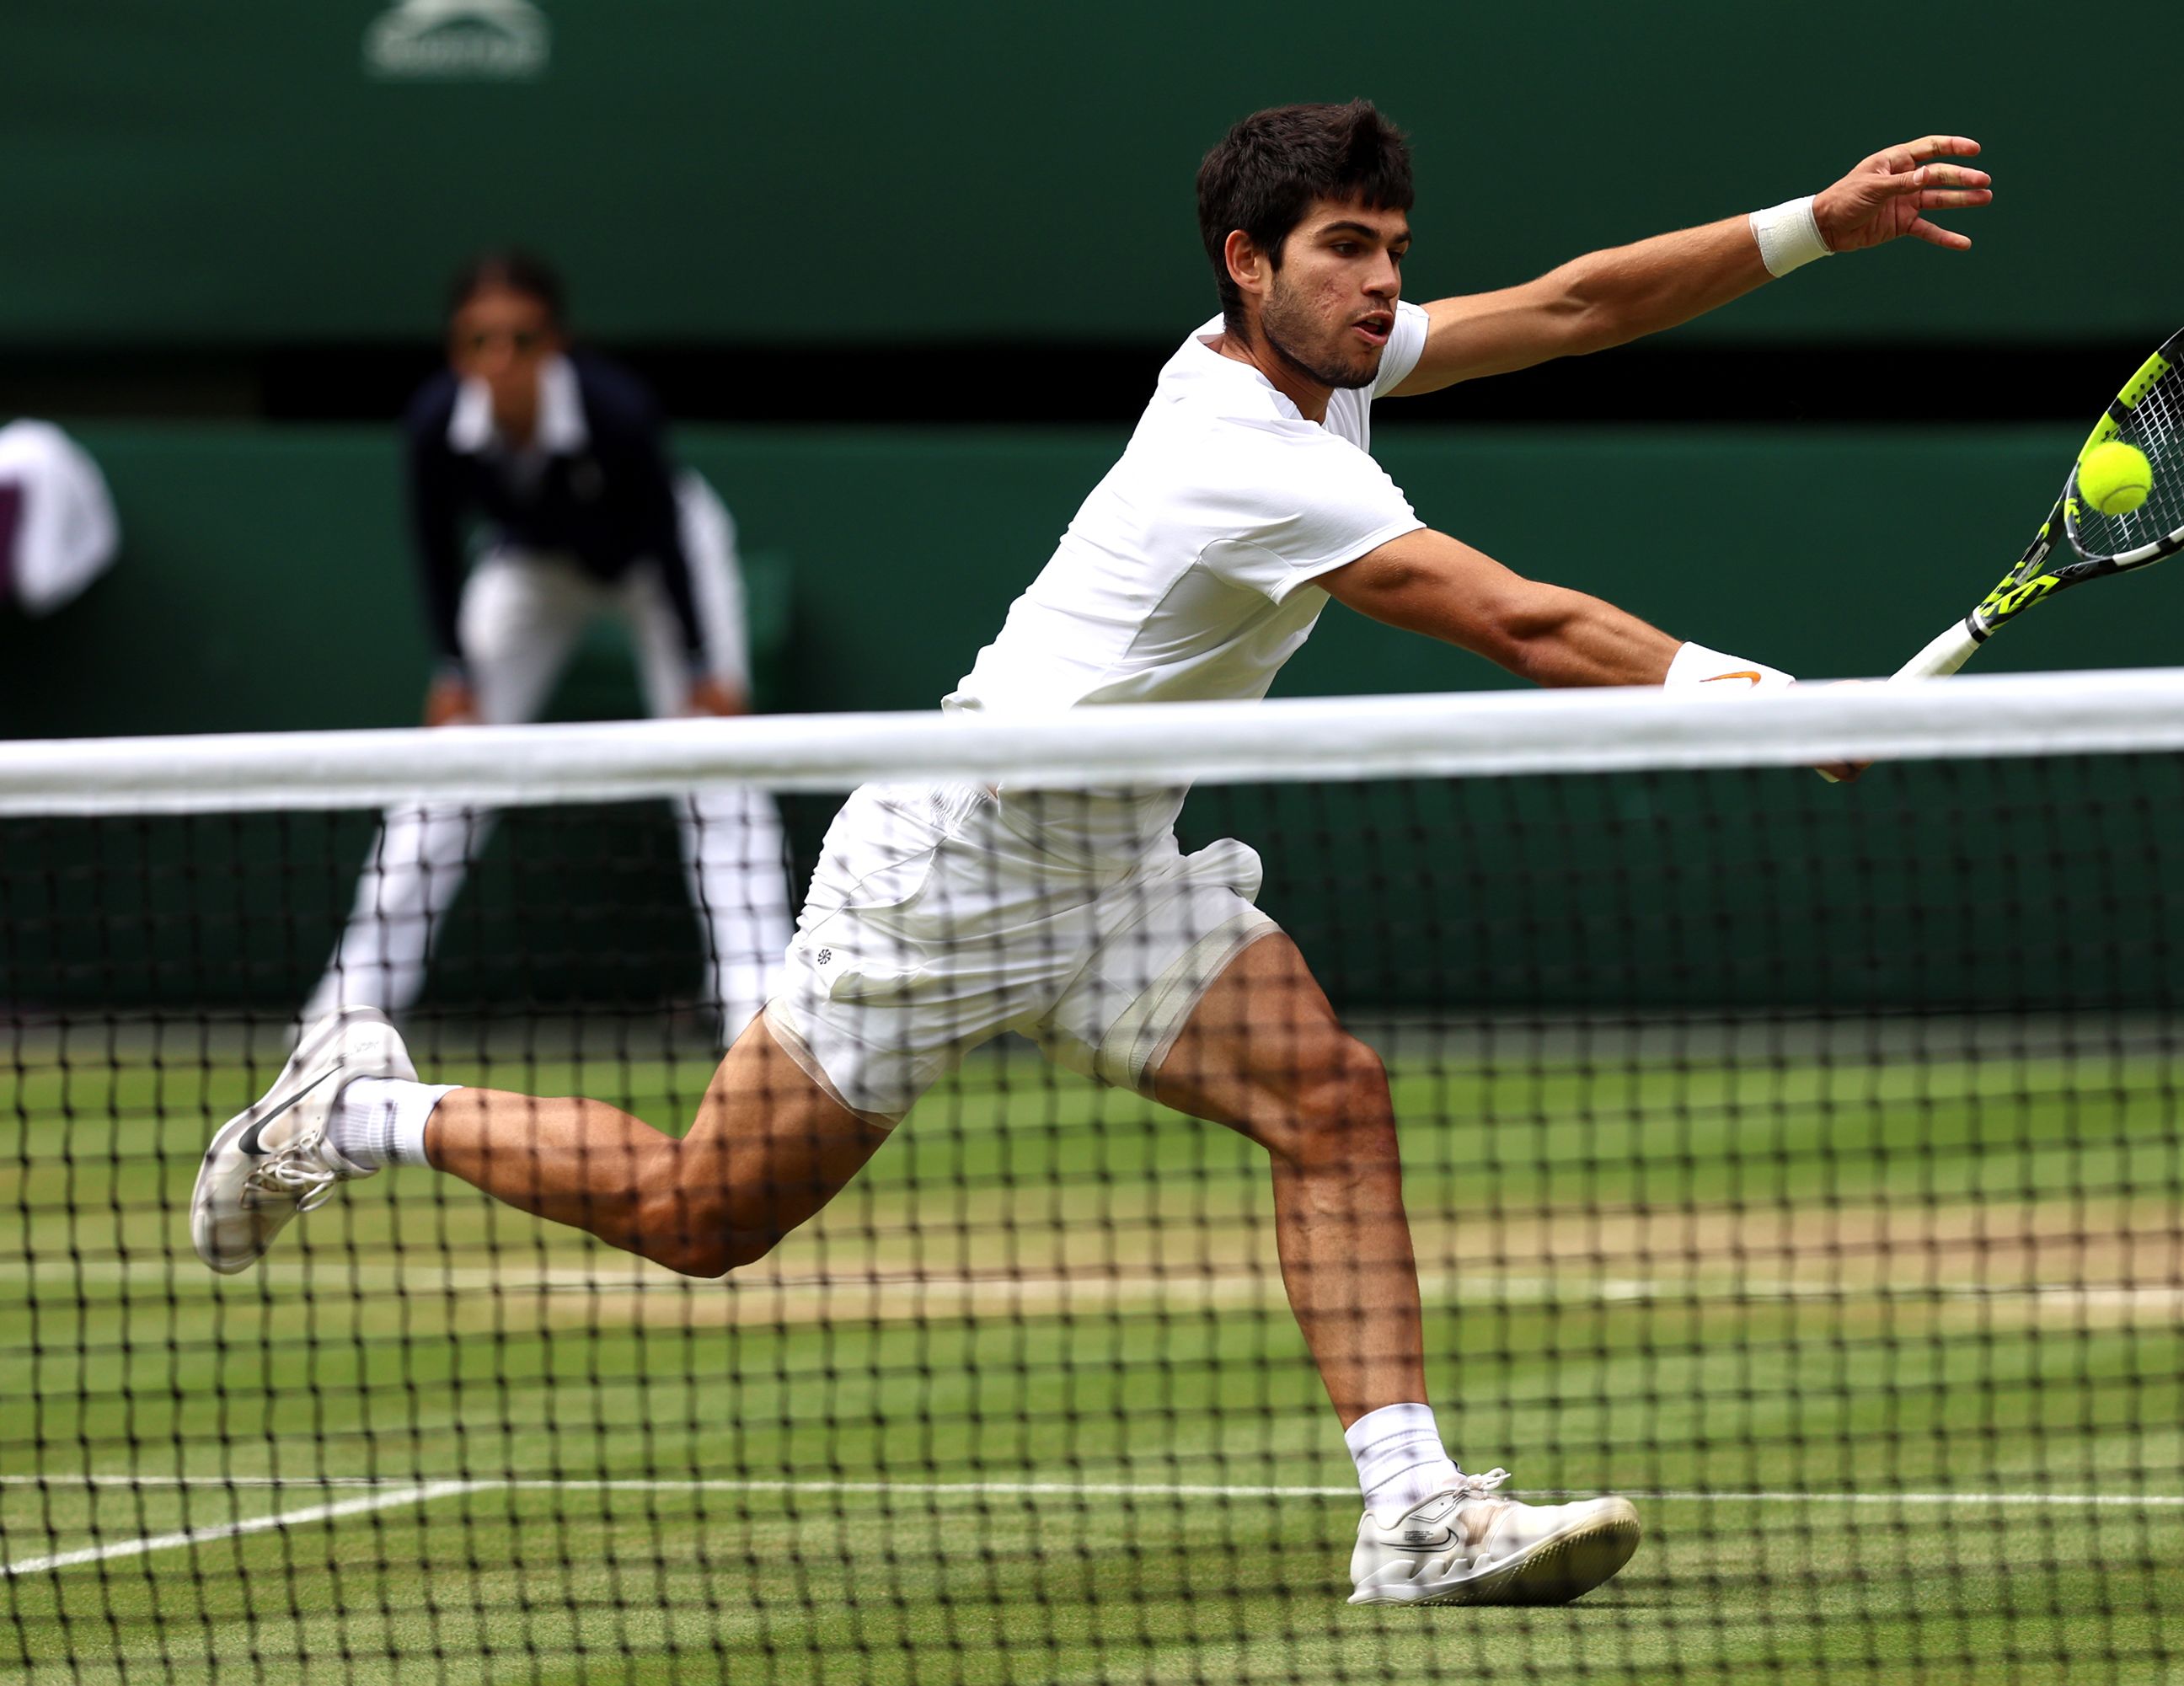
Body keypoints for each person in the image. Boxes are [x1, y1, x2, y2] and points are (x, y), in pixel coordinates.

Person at [196, 106, 1989, 1606]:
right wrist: (1750, 693)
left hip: (1113, 858)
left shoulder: (1328, 369)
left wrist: (1813, 227)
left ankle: (1413, 1508)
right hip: (950, 871)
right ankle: (358, 1105)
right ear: (1249, 264)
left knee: (1330, 1099)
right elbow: (1510, 618)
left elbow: (1582, 304)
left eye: (1393, 248)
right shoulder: (1245, 448)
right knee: (699, 1217)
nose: (1384, 283)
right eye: (1349, 249)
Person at [302, 251, 793, 1050]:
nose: (500, 360)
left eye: (521, 339)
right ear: (456, 349)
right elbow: (433, 547)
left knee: (717, 764)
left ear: (556, 344)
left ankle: (759, 1013)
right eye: (478, 340)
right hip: (531, 567)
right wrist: (452, 673)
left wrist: (705, 668)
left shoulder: (618, 411)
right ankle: (346, 1011)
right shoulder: (434, 425)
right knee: (446, 768)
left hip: (662, 565)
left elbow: (666, 542)